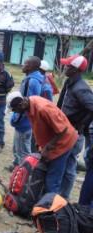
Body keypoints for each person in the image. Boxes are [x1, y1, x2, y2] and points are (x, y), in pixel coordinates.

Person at [8, 92, 78, 195]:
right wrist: (40, 145)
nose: (15, 113)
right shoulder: (29, 104)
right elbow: (39, 127)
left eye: (14, 110)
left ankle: (49, 206)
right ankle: (48, 200)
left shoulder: (42, 108)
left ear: (20, 105)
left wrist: (47, 148)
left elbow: (62, 130)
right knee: (47, 174)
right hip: (54, 142)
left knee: (52, 179)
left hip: (63, 143)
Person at [57, 54, 93, 199]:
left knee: (69, 166)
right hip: (64, 130)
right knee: (62, 163)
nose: (65, 67)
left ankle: (64, 196)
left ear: (76, 70)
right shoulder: (69, 82)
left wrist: (81, 124)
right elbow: (61, 104)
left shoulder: (81, 89)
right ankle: (58, 193)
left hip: (74, 133)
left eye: (68, 66)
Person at [10, 56, 45, 166]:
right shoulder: (33, 79)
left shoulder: (31, 81)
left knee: (23, 150)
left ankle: (25, 174)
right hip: (26, 121)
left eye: (25, 64)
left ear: (32, 67)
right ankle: (17, 166)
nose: (22, 65)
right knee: (17, 147)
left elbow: (26, 105)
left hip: (24, 122)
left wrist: (16, 119)